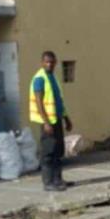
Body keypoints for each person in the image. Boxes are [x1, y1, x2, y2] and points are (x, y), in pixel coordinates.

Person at [29, 50, 73, 192]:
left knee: (58, 151)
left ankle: (58, 179)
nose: (49, 64)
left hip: (57, 119)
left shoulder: (52, 77)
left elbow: (58, 100)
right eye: (47, 62)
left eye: (52, 62)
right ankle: (48, 182)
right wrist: (46, 122)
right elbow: (38, 102)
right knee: (48, 152)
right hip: (47, 122)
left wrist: (66, 118)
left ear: (55, 63)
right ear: (42, 63)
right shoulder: (39, 79)